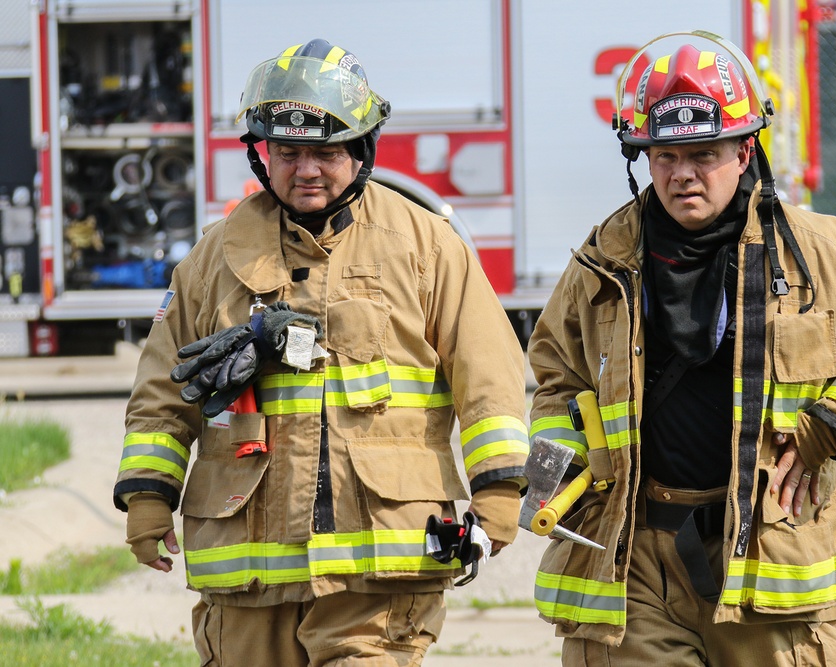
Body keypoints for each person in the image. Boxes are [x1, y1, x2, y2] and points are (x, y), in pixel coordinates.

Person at [113, 39, 529, 666]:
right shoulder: (213, 259)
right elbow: (161, 394)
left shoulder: (425, 246)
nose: (305, 169)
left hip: (380, 566)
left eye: (325, 151)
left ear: (361, 150)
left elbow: (488, 378)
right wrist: (148, 495)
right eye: (288, 151)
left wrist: (498, 491)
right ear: (264, 154)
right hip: (251, 572)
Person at [526, 31, 836, 665]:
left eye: (705, 152)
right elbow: (555, 369)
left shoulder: (821, 252)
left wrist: (834, 423)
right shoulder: (606, 258)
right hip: (635, 560)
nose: (683, 173)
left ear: (746, 151)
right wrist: (562, 465)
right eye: (664, 155)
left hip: (768, 561)